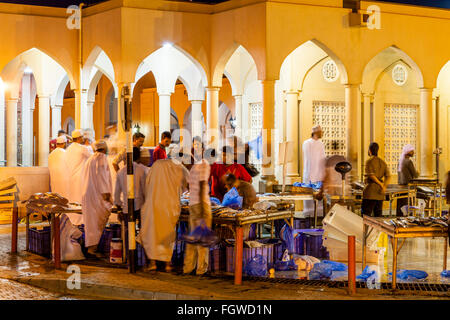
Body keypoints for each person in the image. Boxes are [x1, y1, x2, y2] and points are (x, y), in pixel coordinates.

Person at [138, 158, 188, 272]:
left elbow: (147, 184)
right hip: (169, 207)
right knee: (167, 235)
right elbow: (188, 181)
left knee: (151, 235)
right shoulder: (178, 166)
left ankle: (153, 263)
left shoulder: (156, 165)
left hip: (153, 205)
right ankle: (167, 264)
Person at [183, 138, 212, 276]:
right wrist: (201, 207)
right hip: (201, 204)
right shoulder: (204, 164)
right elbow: (201, 185)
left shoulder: (194, 167)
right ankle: (201, 269)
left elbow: (188, 186)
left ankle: (188, 267)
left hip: (193, 204)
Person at [80, 140, 113, 258]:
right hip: (97, 195)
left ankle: (90, 248)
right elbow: (102, 177)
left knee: (91, 222)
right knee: (97, 222)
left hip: (88, 195)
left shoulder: (90, 159)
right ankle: (92, 250)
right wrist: (107, 195)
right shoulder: (102, 158)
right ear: (104, 149)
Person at [114, 147, 149, 228]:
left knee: (128, 231)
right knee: (143, 231)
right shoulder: (142, 170)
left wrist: (119, 208)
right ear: (139, 157)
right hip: (141, 206)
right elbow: (145, 190)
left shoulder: (121, 172)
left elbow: (116, 193)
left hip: (126, 207)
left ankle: (128, 240)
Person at [65, 129, 93, 224]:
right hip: (80, 178)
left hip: (70, 177)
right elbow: (92, 157)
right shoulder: (82, 148)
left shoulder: (68, 149)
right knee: (81, 199)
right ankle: (81, 221)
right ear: (79, 138)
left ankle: (73, 220)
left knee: (73, 199)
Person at [302, 125, 326, 217]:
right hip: (309, 175)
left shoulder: (321, 144)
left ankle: (318, 217)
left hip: (319, 177)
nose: (322, 133)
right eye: (320, 132)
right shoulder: (307, 143)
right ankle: (309, 216)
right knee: (309, 201)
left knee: (319, 201)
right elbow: (309, 161)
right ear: (315, 132)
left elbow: (322, 160)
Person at [362, 142, 390, 217]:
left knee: (365, 215)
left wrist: (381, 184)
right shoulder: (382, 162)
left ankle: (365, 229)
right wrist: (384, 186)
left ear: (370, 151)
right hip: (379, 193)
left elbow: (371, 175)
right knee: (378, 216)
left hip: (370, 192)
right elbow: (388, 176)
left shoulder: (369, 161)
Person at [397, 144, 419, 216]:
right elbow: (415, 175)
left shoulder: (400, 161)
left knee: (400, 206)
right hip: (407, 187)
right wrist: (417, 173)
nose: (413, 152)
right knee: (407, 208)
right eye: (412, 151)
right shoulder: (408, 161)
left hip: (400, 187)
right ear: (408, 151)